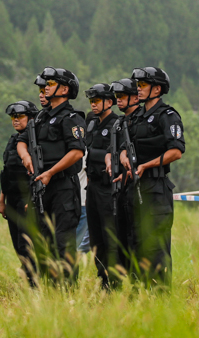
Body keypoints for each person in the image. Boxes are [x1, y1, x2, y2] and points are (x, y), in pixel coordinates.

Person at [16, 67, 86, 284]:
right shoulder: (40, 117)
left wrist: (50, 172)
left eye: (51, 84)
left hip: (63, 186)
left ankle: (66, 288)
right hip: (41, 186)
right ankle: (46, 287)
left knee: (63, 242)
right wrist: (26, 156)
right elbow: (21, 141)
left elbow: (77, 152)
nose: (45, 88)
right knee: (41, 240)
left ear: (64, 89)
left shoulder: (72, 118)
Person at [117, 66, 185, 289]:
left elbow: (176, 151)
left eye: (143, 85)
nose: (138, 89)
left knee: (155, 246)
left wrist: (147, 165)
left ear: (157, 89)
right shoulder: (135, 117)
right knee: (134, 242)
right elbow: (123, 146)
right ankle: (138, 295)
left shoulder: (168, 116)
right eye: (138, 85)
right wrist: (124, 157)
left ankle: (160, 295)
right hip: (134, 187)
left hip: (156, 188)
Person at [83, 83, 121, 289]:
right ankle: (103, 279)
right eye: (91, 101)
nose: (93, 104)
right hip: (92, 187)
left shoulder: (117, 124)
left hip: (109, 189)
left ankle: (116, 281)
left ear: (109, 101)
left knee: (110, 236)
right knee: (95, 238)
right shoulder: (90, 123)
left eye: (97, 100)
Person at [0, 100, 40, 285]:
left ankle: (34, 283)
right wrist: (2, 200)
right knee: (17, 243)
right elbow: (6, 172)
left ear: (31, 118)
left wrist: (31, 199)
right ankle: (28, 279)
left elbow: (36, 172)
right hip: (12, 198)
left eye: (19, 116)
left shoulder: (35, 140)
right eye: (13, 117)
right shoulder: (13, 140)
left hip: (27, 197)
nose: (15, 120)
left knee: (27, 243)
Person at [106, 77, 142, 275]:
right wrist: (109, 160)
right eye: (116, 96)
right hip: (119, 186)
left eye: (122, 96)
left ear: (135, 98)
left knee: (137, 239)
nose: (118, 99)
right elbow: (112, 150)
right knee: (120, 239)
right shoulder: (119, 123)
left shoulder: (141, 119)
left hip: (139, 184)